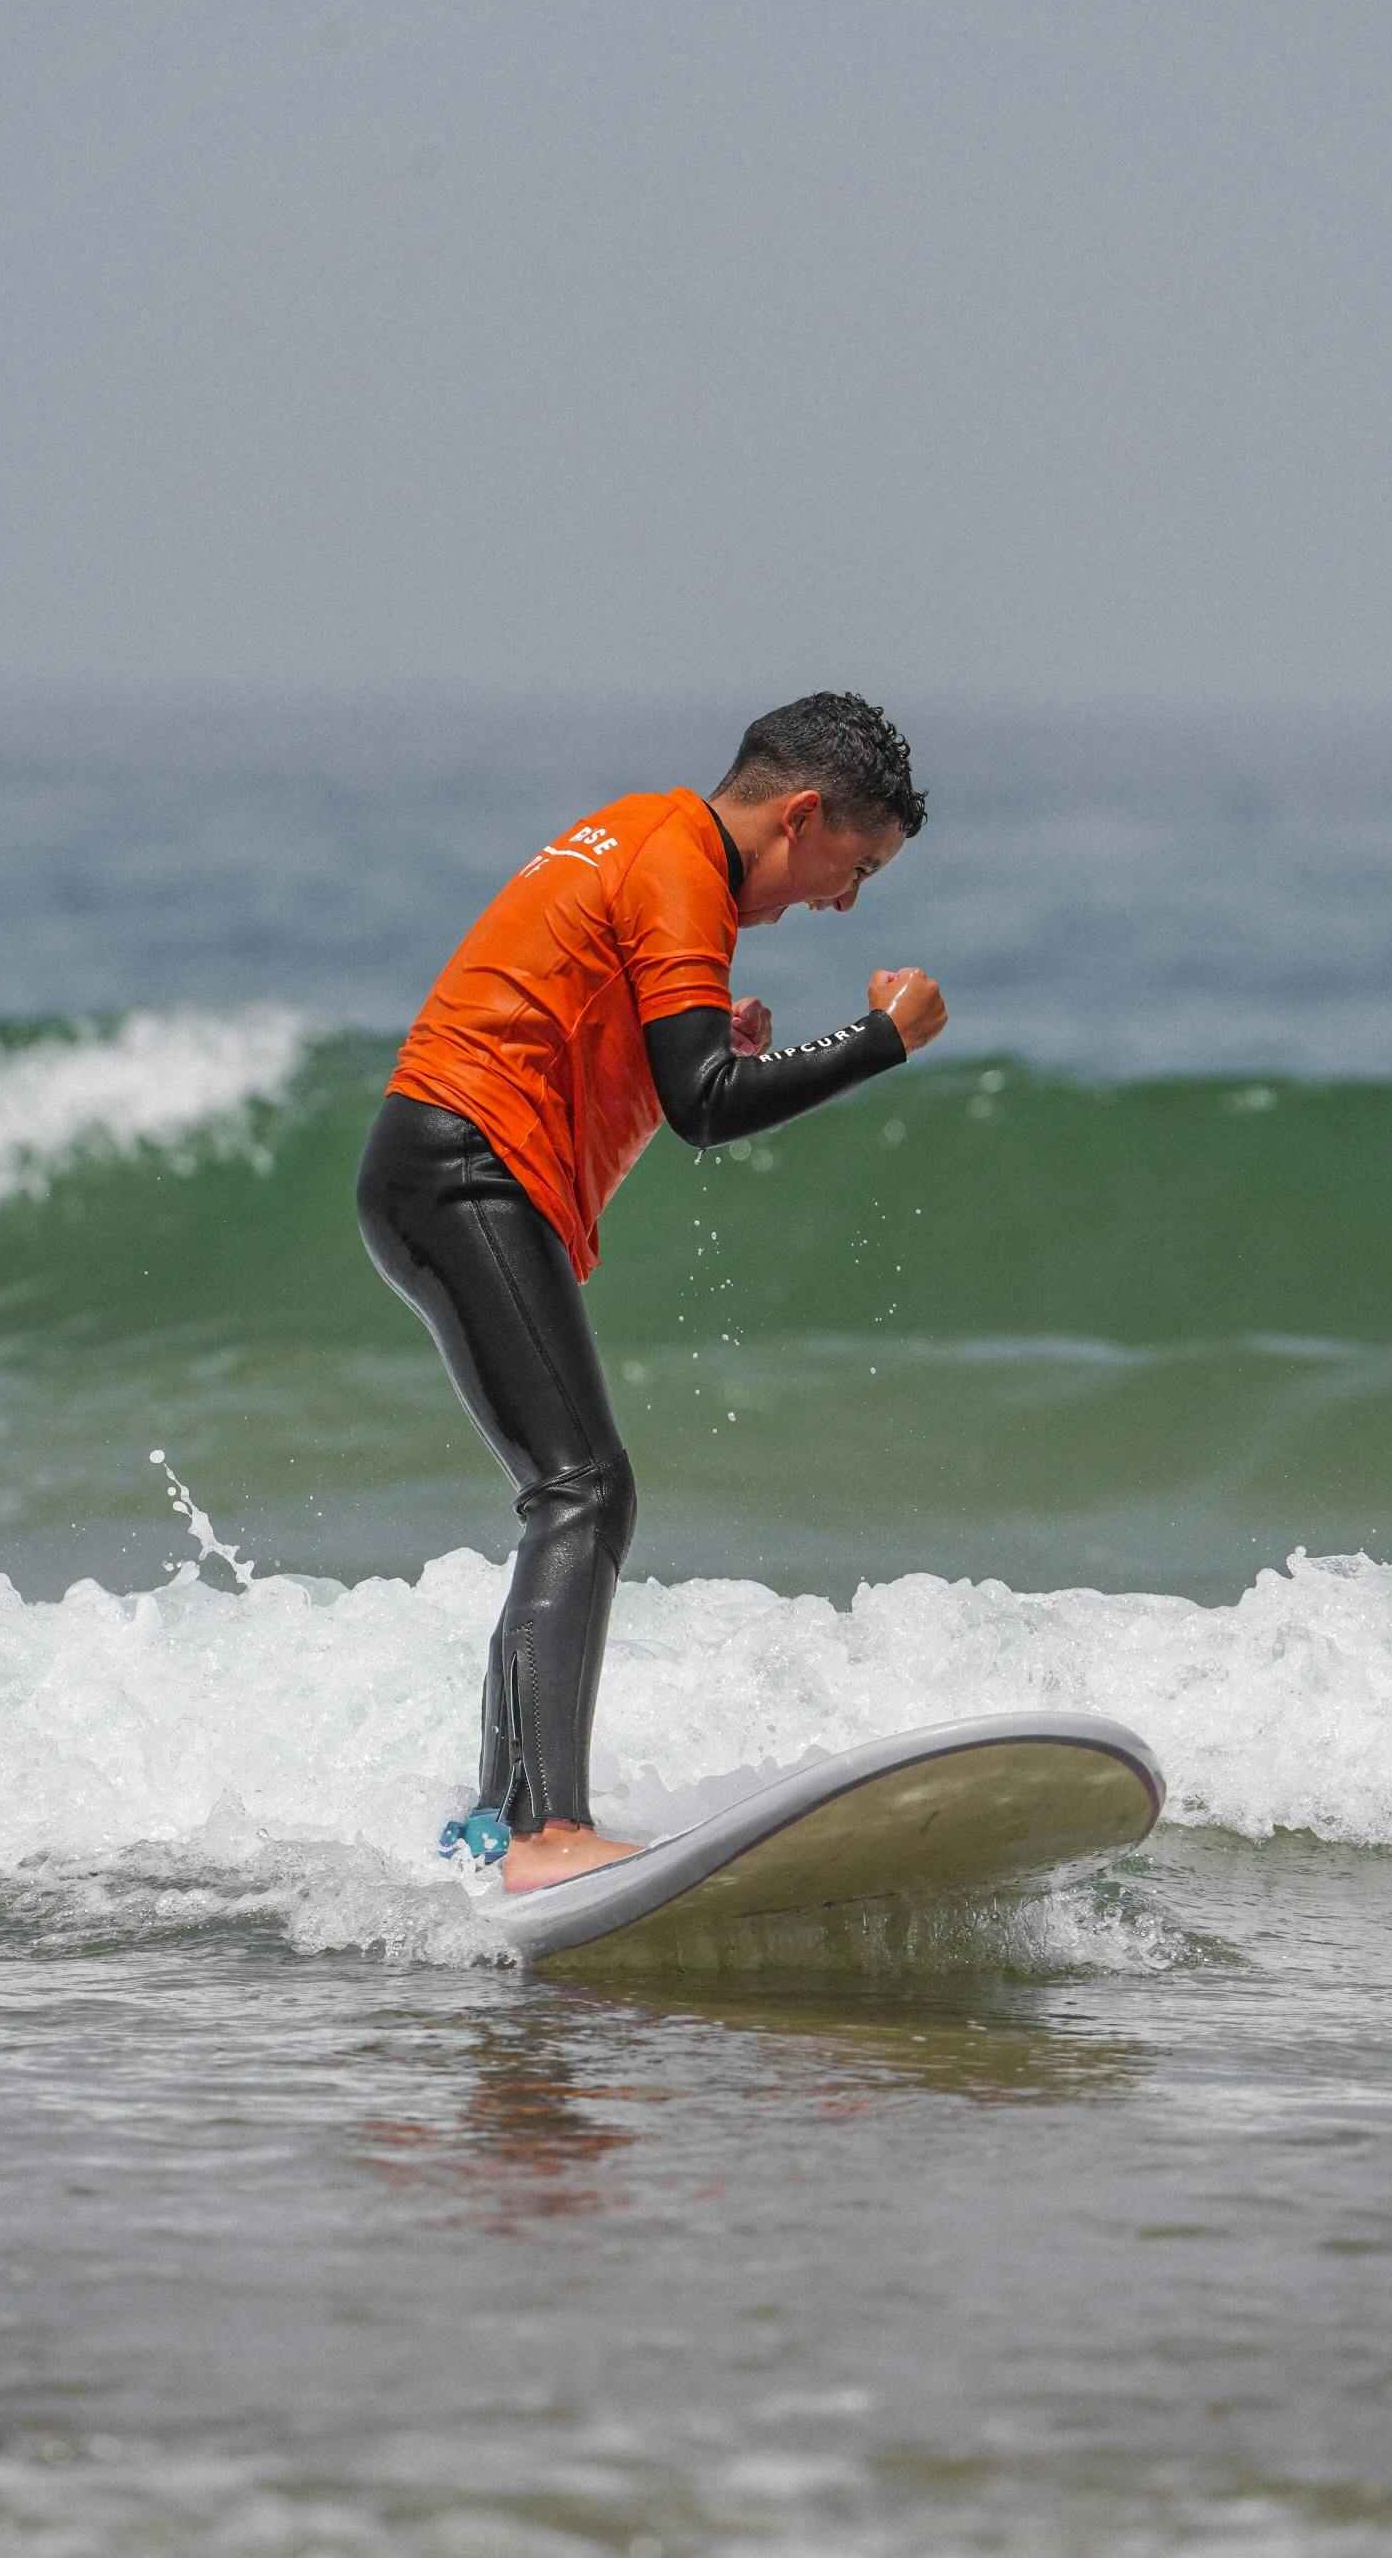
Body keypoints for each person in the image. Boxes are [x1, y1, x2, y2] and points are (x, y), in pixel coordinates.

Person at [356, 691, 948, 1893]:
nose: (843, 901)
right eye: (856, 865)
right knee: (584, 1490)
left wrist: (677, 1039)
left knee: (565, 1494)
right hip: (463, 1168)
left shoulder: (637, 834)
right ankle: (542, 1834)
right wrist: (879, 1040)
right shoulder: (681, 865)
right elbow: (707, 1106)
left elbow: (603, 1038)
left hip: (436, 1163)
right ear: (798, 814)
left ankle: (500, 1821)